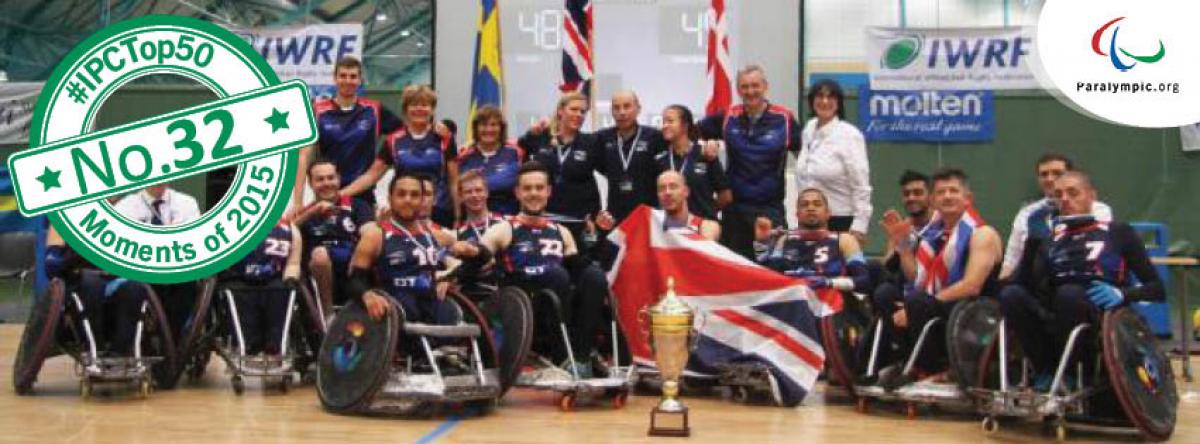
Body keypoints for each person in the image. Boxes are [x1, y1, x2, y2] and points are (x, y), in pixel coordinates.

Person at [998, 171, 1162, 391]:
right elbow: (1022, 284)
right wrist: (1032, 244)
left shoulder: (1118, 232)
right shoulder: (1051, 239)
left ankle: (1074, 372)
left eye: (1073, 192)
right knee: (1011, 296)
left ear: (1091, 196)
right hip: (1054, 313)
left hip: (1098, 314)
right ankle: (1045, 370)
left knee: (1070, 294)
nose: (1065, 199)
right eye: (1059, 194)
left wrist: (1123, 294)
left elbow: (1157, 289)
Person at [455, 161, 609, 381]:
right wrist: (453, 275)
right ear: (517, 193)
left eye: (539, 188)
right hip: (524, 308)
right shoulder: (504, 229)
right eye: (527, 188)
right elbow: (479, 258)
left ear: (548, 192)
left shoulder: (561, 231)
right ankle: (562, 357)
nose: (534, 193)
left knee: (594, 277)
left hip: (562, 300)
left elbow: (580, 267)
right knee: (557, 275)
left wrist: (598, 237)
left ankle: (583, 357)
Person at [874, 168, 1002, 386]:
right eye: (941, 192)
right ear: (933, 200)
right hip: (938, 306)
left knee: (916, 303)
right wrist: (903, 245)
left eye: (954, 191)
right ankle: (912, 362)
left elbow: (972, 286)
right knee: (886, 297)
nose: (948, 196)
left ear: (967, 198)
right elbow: (915, 279)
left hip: (972, 311)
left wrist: (916, 307)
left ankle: (938, 369)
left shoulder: (983, 233)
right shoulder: (933, 235)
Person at [698, 65, 802, 259]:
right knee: (735, 270)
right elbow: (692, 133)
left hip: (770, 210)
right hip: (735, 212)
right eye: (744, 87)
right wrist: (707, 142)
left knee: (773, 269)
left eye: (755, 85)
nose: (750, 91)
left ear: (765, 87)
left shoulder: (784, 118)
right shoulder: (728, 116)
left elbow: (804, 158)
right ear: (738, 90)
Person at [293, 56, 404, 214]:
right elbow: (303, 156)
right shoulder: (317, 111)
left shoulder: (374, 110)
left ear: (360, 80)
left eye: (353, 76)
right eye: (343, 76)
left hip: (363, 196)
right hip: (326, 193)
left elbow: (406, 138)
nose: (348, 81)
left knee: (367, 236)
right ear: (335, 78)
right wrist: (298, 201)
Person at [350, 172, 463, 326]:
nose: (408, 200)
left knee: (452, 312)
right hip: (396, 305)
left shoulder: (436, 236)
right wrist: (367, 295)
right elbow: (355, 279)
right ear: (390, 198)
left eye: (414, 195)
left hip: (431, 302)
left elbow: (479, 259)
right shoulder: (375, 235)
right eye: (401, 194)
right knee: (407, 307)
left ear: (422, 200)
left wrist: (450, 280)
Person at [341, 84, 459, 227]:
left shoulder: (444, 138)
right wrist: (341, 194)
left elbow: (454, 181)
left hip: (439, 212)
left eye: (425, 105)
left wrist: (458, 216)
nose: (419, 109)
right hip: (405, 211)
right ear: (405, 109)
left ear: (432, 109)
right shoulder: (393, 140)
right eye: (414, 105)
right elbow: (371, 176)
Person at [113, 183, 202, 353]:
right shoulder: (126, 207)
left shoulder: (187, 203)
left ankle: (173, 346)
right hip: (142, 272)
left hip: (177, 272)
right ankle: (141, 346)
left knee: (188, 283)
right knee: (132, 287)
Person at [1000, 153, 1114, 280]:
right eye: (1044, 174)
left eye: (1057, 173)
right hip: (1032, 279)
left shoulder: (1097, 208)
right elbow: (1011, 260)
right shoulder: (1027, 213)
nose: (1050, 179)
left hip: (1079, 275)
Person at [44, 225, 150, 359]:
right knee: (91, 282)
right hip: (78, 278)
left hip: (116, 280)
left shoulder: (128, 213)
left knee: (135, 288)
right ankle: (95, 350)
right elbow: (51, 265)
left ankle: (119, 352)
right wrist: (74, 259)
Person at [795, 80, 872, 243]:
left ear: (839, 103)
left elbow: (861, 186)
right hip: (809, 222)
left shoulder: (850, 135)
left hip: (841, 222)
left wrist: (859, 226)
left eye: (831, 97)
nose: (824, 101)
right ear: (811, 101)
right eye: (820, 96)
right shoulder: (809, 129)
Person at [757, 188, 871, 297]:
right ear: (797, 214)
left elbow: (864, 281)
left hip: (831, 304)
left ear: (828, 213)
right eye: (804, 204)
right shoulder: (785, 240)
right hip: (793, 304)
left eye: (817, 204)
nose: (810, 208)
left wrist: (829, 282)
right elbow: (767, 278)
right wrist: (762, 243)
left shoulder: (844, 240)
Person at [294, 160, 372, 313]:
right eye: (320, 179)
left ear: (339, 179)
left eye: (331, 178)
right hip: (318, 271)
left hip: (353, 269)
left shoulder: (357, 205)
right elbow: (285, 233)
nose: (326, 183)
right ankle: (327, 314)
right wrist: (311, 213)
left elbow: (368, 232)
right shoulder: (304, 213)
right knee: (320, 255)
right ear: (310, 183)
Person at [217, 220, 303, 356]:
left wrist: (291, 277)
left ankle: (275, 345)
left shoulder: (290, 229)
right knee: (237, 293)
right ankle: (247, 344)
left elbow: (293, 262)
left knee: (283, 291)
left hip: (274, 280)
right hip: (240, 279)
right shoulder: (230, 225)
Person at [518, 93, 602, 222]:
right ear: (560, 111)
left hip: (578, 219)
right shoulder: (540, 137)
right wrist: (531, 132)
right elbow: (521, 145)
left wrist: (595, 217)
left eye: (583, 111)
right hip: (544, 218)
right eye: (574, 109)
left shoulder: (591, 142)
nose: (579, 114)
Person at [594, 91, 665, 223]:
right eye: (616, 107)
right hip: (615, 217)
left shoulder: (655, 137)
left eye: (627, 106)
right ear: (611, 111)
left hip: (649, 216)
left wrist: (706, 144)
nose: (621, 112)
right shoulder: (602, 138)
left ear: (638, 109)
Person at [655, 104, 731, 222]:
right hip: (672, 228)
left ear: (685, 125)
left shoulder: (705, 154)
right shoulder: (660, 161)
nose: (665, 126)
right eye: (663, 122)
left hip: (702, 227)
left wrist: (708, 211)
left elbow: (726, 195)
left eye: (670, 121)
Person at [456, 105, 523, 215]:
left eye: (493, 125)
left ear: (501, 128)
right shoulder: (464, 155)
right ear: (476, 128)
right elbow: (457, 190)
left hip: (506, 221)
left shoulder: (515, 153)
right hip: (471, 221)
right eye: (483, 125)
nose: (488, 129)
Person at [455, 170, 507, 286]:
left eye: (478, 190)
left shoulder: (506, 224)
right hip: (474, 292)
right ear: (461, 197)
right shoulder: (458, 235)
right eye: (468, 192)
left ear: (487, 192)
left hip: (505, 289)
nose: (474, 195)